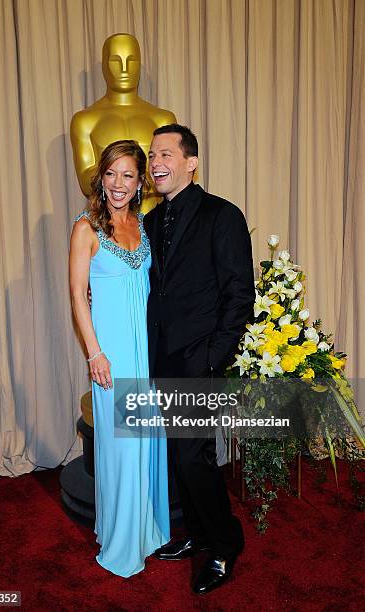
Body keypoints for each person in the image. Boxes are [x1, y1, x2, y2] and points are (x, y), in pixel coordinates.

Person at [144, 124, 255, 594]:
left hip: (198, 359)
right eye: (151, 156)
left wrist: (214, 356)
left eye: (165, 153)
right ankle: (198, 534)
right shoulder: (149, 221)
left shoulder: (221, 215)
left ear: (191, 162)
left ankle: (226, 545)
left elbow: (239, 293)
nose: (155, 163)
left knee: (194, 457)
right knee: (178, 453)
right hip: (160, 356)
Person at [69, 139, 170, 578]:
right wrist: (95, 354)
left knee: (148, 444)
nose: (118, 184)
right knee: (124, 449)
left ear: (139, 181)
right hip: (111, 356)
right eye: (111, 173)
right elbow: (77, 295)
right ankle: (121, 541)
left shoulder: (146, 225)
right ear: (100, 177)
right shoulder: (86, 228)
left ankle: (146, 530)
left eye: (127, 175)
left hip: (146, 351)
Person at [70, 33, 176, 212]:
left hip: (156, 226)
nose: (124, 69)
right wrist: (144, 178)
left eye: (131, 61)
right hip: (107, 226)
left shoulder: (163, 119)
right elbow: (85, 181)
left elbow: (173, 174)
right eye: (115, 61)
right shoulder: (85, 120)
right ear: (104, 65)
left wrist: (117, 176)